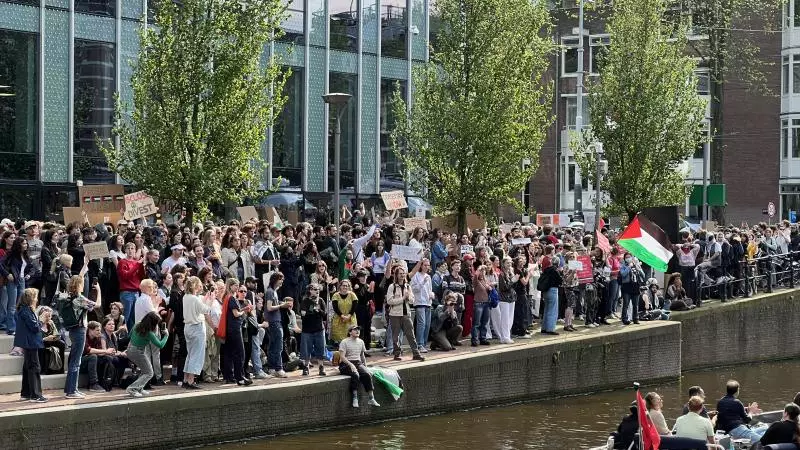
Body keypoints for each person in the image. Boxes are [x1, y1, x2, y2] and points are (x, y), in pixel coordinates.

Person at [62, 275, 99, 398]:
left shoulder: (70, 296)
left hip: (73, 330)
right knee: (76, 362)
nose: (84, 285)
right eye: (82, 283)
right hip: (80, 331)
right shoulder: (79, 298)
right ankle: (72, 391)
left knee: (74, 360)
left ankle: (71, 389)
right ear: (78, 285)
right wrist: (98, 291)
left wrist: (85, 263)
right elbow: (97, 305)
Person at [385, 264, 425, 362]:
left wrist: (408, 298)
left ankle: (416, 353)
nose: (402, 275)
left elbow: (412, 301)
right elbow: (389, 301)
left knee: (411, 334)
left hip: (406, 314)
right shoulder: (392, 287)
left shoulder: (408, 286)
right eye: (400, 274)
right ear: (396, 275)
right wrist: (402, 298)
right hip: (395, 314)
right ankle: (397, 354)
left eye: (403, 273)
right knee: (395, 336)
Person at [217, 278, 253, 385]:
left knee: (228, 353)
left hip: (229, 329)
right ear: (230, 286)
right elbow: (236, 314)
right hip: (235, 329)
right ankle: (240, 377)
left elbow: (234, 312)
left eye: (238, 285)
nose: (237, 287)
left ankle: (229, 376)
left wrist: (242, 310)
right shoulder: (232, 298)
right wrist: (244, 311)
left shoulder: (226, 297)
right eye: (235, 285)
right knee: (239, 353)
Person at [125, 312, 168, 398]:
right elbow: (160, 345)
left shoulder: (137, 325)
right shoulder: (149, 333)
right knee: (149, 372)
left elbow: (129, 335)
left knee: (145, 370)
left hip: (130, 349)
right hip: (138, 351)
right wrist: (166, 335)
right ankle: (132, 388)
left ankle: (139, 388)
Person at [15, 288, 46, 402]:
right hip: (30, 343)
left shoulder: (24, 310)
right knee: (34, 367)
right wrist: (42, 320)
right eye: (36, 297)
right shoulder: (26, 311)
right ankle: (35, 395)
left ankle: (26, 393)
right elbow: (35, 327)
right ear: (31, 299)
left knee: (28, 367)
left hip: (28, 342)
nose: (37, 299)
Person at [338, 325, 380, 408]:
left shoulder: (361, 342)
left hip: (358, 362)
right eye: (355, 330)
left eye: (358, 329)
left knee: (367, 374)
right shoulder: (344, 342)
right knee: (355, 375)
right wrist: (351, 365)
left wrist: (366, 367)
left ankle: (371, 398)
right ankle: (355, 398)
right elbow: (342, 357)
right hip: (346, 363)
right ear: (350, 332)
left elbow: (362, 356)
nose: (357, 331)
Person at [182, 276, 210, 389]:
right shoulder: (194, 298)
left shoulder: (186, 297)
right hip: (196, 327)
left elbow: (198, 304)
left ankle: (185, 379)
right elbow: (205, 310)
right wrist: (210, 300)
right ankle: (191, 381)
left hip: (188, 327)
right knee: (196, 355)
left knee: (190, 354)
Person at [264, 273, 289, 378]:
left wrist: (280, 303)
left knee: (273, 345)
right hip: (274, 321)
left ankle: (272, 368)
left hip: (274, 320)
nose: (282, 281)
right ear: (275, 280)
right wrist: (281, 305)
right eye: (280, 279)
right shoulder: (270, 291)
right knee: (278, 345)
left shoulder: (274, 291)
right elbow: (269, 307)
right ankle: (278, 368)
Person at [299, 284, 327, 377]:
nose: (317, 291)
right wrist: (313, 308)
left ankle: (321, 367)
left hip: (319, 329)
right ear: (310, 290)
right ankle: (306, 367)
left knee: (321, 348)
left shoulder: (321, 300)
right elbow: (304, 315)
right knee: (306, 349)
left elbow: (325, 315)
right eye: (315, 289)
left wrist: (318, 310)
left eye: (318, 289)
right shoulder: (305, 301)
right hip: (307, 330)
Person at [81, 320, 115, 392]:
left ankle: (103, 381)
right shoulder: (83, 337)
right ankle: (93, 384)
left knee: (106, 358)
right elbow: (89, 350)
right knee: (93, 356)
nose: (100, 332)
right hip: (79, 363)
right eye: (97, 330)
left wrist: (109, 352)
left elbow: (100, 352)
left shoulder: (97, 337)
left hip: (90, 362)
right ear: (90, 330)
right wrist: (105, 351)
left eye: (100, 330)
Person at [37, 306, 65, 374]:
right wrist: (45, 339)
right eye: (46, 316)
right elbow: (36, 338)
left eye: (49, 316)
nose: (48, 318)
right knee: (42, 347)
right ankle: (43, 370)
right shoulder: (38, 323)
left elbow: (56, 334)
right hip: (40, 342)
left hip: (51, 341)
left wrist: (55, 337)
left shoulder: (51, 322)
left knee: (62, 344)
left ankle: (60, 369)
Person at [331, 279, 358, 343]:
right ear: (340, 286)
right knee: (340, 339)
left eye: (347, 286)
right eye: (343, 285)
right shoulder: (335, 295)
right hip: (339, 318)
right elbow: (335, 308)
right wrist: (342, 316)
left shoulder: (352, 295)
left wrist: (348, 316)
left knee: (351, 336)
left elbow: (354, 307)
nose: (345, 287)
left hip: (350, 318)